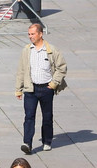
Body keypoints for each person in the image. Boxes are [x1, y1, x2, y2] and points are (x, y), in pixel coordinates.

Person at [15, 22, 67, 155]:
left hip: (46, 89)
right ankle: (27, 143)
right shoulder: (27, 50)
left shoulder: (51, 50)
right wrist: (18, 89)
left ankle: (47, 141)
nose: (30, 36)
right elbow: (21, 70)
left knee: (47, 117)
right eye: (29, 34)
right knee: (29, 117)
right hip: (31, 89)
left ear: (40, 34)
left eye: (33, 34)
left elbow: (62, 67)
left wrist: (54, 83)